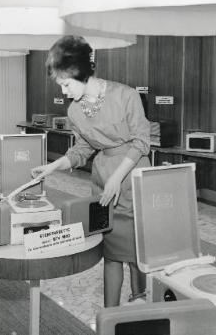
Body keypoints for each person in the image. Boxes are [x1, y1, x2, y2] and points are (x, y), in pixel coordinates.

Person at [31, 36, 151, 307]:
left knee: (135, 251)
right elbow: (82, 150)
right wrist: (52, 166)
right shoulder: (75, 110)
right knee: (111, 250)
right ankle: (110, 316)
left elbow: (142, 141)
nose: (63, 91)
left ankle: (139, 303)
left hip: (131, 175)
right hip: (102, 180)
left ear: (81, 73)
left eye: (65, 84)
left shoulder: (126, 95)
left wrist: (117, 179)